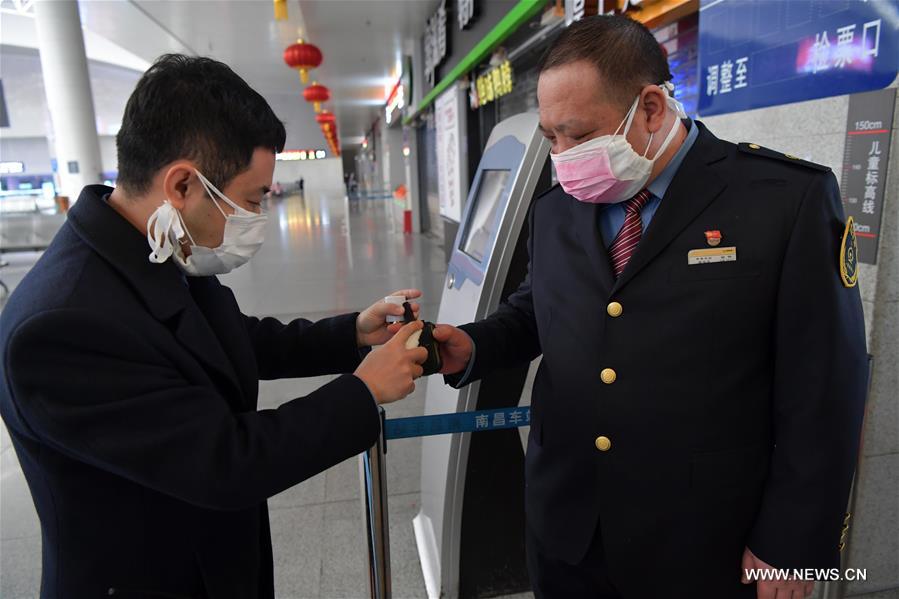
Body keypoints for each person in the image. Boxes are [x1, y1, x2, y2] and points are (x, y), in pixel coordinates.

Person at [431, 15, 867, 599]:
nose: (562, 157)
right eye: (550, 137)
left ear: (652, 108)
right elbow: (538, 310)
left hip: (704, 538)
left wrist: (792, 544)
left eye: (578, 135)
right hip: (569, 527)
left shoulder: (783, 201)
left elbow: (825, 386)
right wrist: (474, 345)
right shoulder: (556, 209)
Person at [0, 54, 427, 598]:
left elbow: (231, 339)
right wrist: (363, 392)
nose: (256, 219)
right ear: (182, 185)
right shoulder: (60, 327)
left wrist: (352, 334)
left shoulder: (155, 246)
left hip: (213, 561)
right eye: (249, 201)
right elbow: (223, 462)